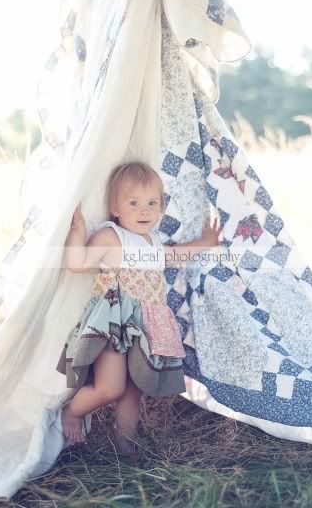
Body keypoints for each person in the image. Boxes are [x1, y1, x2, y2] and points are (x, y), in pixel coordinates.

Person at [57, 161, 222, 453]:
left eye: (151, 203)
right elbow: (77, 263)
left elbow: (174, 256)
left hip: (145, 325)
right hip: (115, 320)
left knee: (133, 387)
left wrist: (205, 242)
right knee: (111, 387)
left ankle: (125, 444)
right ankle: (72, 411)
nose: (144, 210)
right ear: (116, 207)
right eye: (133, 203)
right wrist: (77, 231)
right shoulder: (111, 236)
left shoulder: (154, 242)